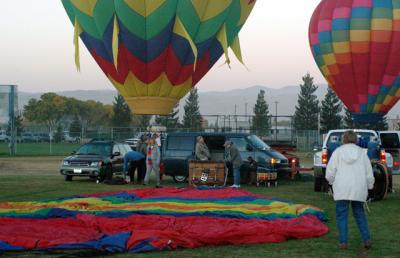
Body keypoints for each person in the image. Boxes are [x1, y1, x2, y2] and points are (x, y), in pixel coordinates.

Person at [326, 130, 375, 250]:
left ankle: (343, 242)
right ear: (356, 140)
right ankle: (367, 239)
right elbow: (369, 173)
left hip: (342, 188)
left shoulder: (337, 152)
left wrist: (331, 183)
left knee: (342, 215)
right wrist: (370, 186)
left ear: (344, 139)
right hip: (358, 188)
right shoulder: (362, 154)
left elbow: (330, 172)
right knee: (359, 214)